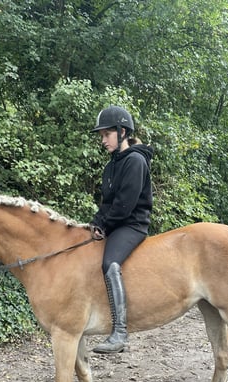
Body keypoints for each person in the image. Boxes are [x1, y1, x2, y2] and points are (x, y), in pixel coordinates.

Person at [88, 105, 154, 353]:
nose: (103, 140)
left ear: (122, 131)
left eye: (107, 134)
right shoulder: (111, 166)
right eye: (101, 135)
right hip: (115, 223)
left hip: (132, 225)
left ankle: (120, 332)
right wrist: (95, 223)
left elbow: (124, 206)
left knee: (110, 264)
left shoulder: (135, 161)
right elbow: (107, 204)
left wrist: (104, 224)